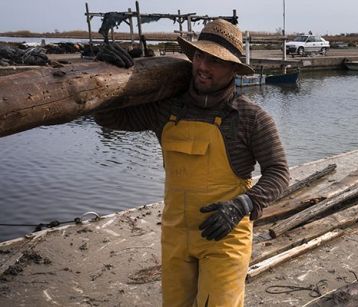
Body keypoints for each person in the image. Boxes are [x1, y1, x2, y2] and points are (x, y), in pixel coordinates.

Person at [94, 19, 290, 307]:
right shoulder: (166, 108)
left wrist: (242, 205)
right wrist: (106, 76)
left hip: (225, 237)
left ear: (234, 68)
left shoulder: (251, 118)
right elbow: (109, 118)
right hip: (175, 235)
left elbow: (279, 173)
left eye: (216, 60)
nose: (203, 66)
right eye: (200, 56)